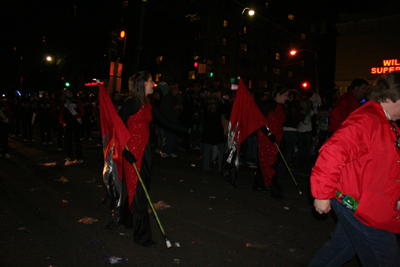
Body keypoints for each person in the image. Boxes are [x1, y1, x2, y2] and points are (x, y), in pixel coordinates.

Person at [309, 71, 400, 267]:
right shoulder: (368, 119)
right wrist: (322, 194)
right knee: (386, 259)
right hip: (361, 205)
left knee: (340, 248)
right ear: (393, 97)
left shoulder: (385, 121)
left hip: (369, 200)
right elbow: (333, 150)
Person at [119, 71, 192, 247]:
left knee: (137, 189)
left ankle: (127, 219)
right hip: (132, 154)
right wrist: (124, 151)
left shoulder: (148, 103)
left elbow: (165, 121)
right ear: (143, 84)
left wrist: (188, 131)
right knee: (139, 193)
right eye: (152, 81)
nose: (155, 84)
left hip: (145, 152)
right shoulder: (131, 104)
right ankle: (142, 236)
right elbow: (117, 130)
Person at [252, 85, 288, 198]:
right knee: (269, 162)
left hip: (276, 138)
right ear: (278, 95)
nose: (286, 98)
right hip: (267, 139)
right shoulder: (268, 106)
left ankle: (259, 184)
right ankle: (272, 186)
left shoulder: (280, 107)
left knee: (269, 162)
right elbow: (260, 121)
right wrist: (268, 133)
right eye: (285, 95)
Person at [200, 89, 226, 172]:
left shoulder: (206, 104)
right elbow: (226, 111)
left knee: (207, 149)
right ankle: (221, 167)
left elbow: (203, 115)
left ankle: (206, 167)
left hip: (208, 128)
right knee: (221, 149)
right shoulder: (220, 105)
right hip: (217, 128)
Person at [60, 87, 85, 164]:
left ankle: (79, 157)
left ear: (70, 92)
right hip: (68, 123)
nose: (65, 93)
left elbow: (82, 112)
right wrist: (63, 119)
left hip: (75, 122)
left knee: (77, 140)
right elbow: (62, 111)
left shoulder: (77, 101)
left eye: (66, 92)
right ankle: (69, 156)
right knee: (68, 140)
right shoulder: (65, 101)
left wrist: (74, 117)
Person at [160, 82, 183, 157]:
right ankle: (165, 150)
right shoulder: (167, 97)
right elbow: (163, 106)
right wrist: (173, 107)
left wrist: (180, 107)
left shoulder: (179, 97)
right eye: (174, 88)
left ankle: (170, 150)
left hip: (176, 118)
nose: (176, 89)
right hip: (169, 118)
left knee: (174, 136)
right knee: (169, 135)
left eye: (177, 88)